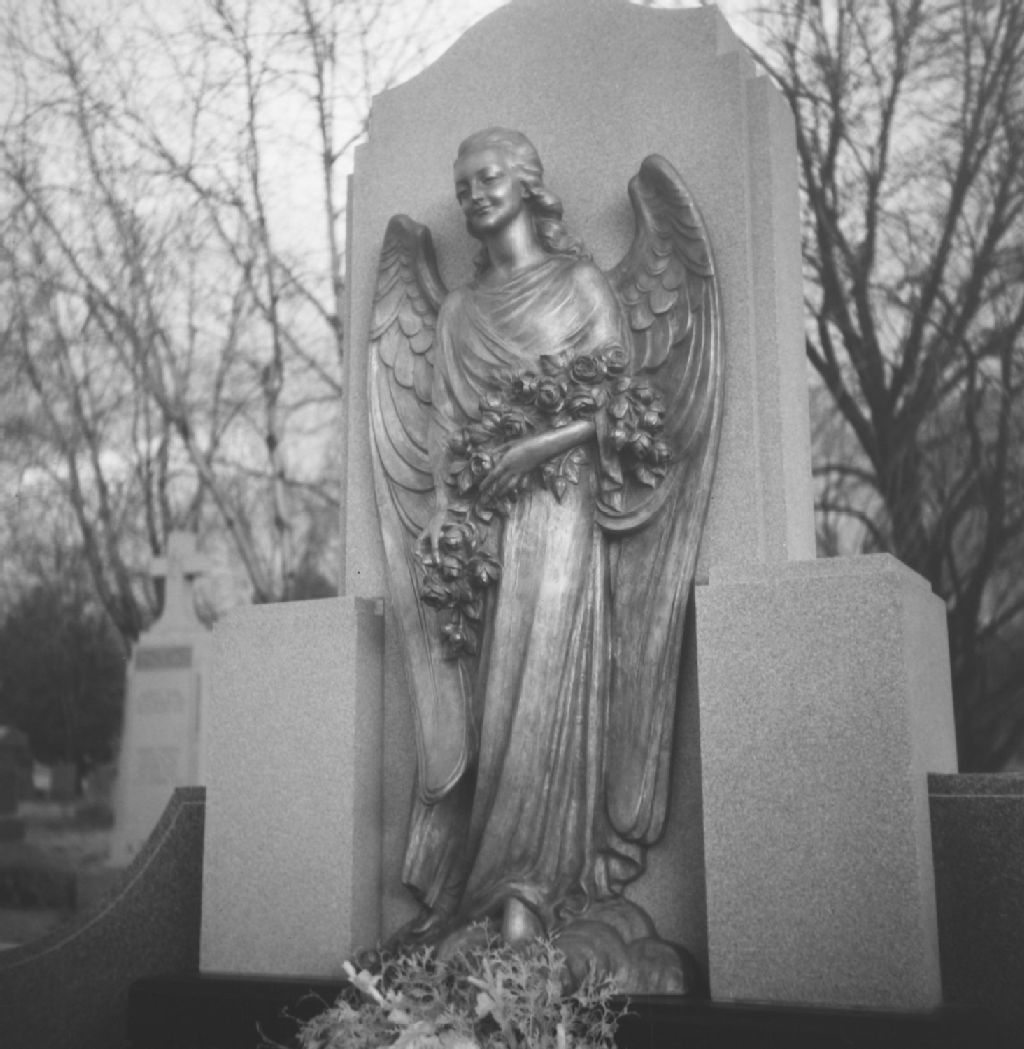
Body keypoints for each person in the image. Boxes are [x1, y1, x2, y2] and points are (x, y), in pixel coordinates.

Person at [409, 127, 643, 945]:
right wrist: (447, 518)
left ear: (526, 184)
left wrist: (534, 448)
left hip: (562, 511)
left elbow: (623, 409)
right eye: (463, 185)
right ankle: (489, 888)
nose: (474, 194)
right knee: (498, 698)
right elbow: (446, 431)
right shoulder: (457, 313)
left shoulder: (579, 285)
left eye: (488, 178)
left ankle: (531, 891)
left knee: (543, 678)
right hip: (487, 528)